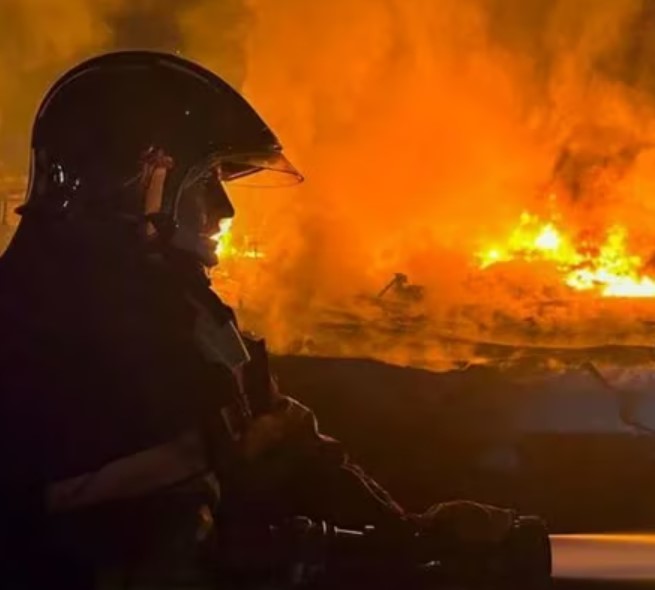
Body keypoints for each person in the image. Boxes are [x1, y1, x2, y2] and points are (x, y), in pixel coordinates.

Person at [0, 51, 514, 588]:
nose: (226, 211)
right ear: (142, 183)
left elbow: (279, 434)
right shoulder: (44, 335)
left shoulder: (179, 311)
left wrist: (410, 534)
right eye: (206, 184)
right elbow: (128, 546)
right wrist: (325, 558)